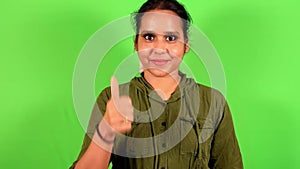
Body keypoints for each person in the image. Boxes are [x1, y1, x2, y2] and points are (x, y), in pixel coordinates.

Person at [70, 0, 243, 168]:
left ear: (186, 44)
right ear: (136, 43)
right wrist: (105, 132)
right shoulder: (111, 99)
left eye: (170, 38)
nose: (159, 48)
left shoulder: (213, 102)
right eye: (149, 37)